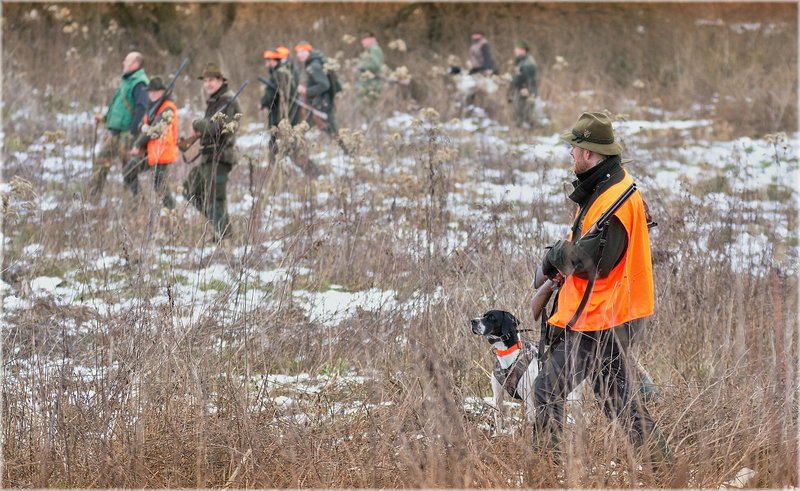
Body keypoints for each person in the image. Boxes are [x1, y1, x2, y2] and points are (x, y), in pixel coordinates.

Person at [533, 112, 672, 470]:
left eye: (574, 148)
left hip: (602, 318)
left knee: (547, 390)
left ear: (590, 154)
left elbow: (594, 262)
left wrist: (554, 255)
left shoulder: (616, 198)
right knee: (619, 401)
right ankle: (666, 472)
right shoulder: (605, 186)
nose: (570, 154)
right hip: (606, 314)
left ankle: (544, 473)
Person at [182, 63, 241, 241]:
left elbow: (218, 128)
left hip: (220, 157)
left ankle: (226, 238)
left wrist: (197, 123)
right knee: (189, 190)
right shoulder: (215, 100)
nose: (208, 84)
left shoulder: (227, 100)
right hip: (208, 157)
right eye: (206, 81)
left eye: (212, 80)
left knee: (217, 199)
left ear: (221, 80)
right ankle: (221, 228)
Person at [90, 51, 149, 199]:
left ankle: (137, 200)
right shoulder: (127, 81)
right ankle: (93, 196)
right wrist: (104, 118)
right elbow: (119, 107)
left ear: (135, 64)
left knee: (128, 169)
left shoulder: (139, 82)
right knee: (101, 162)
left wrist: (132, 130)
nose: (124, 62)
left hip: (127, 134)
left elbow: (142, 107)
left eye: (127, 61)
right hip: (115, 132)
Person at [122, 77, 177, 210]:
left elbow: (157, 130)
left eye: (156, 91)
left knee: (160, 186)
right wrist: (143, 127)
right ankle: (140, 203)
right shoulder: (153, 106)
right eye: (150, 92)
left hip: (162, 152)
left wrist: (138, 144)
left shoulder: (168, 108)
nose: (152, 94)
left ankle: (172, 215)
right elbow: (144, 123)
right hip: (150, 151)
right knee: (128, 171)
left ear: (163, 91)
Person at [294, 42, 348, 155]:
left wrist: (306, 91)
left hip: (321, 103)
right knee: (312, 126)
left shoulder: (313, 66)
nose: (300, 55)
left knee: (328, 128)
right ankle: (347, 152)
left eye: (303, 52)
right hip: (320, 102)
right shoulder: (314, 62)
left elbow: (324, 85)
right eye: (298, 52)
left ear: (309, 51)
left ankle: (348, 152)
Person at [260, 46, 300, 156]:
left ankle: (277, 167)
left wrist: (263, 103)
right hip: (289, 113)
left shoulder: (278, 74)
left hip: (280, 115)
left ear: (273, 61)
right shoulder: (288, 71)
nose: (266, 64)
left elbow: (271, 95)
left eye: (268, 61)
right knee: (289, 142)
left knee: (276, 144)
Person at [509, 39, 538, 129]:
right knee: (518, 111)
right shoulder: (521, 60)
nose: (515, 51)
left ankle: (532, 130)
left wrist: (513, 80)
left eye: (517, 49)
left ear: (523, 50)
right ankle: (521, 130)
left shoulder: (528, 62)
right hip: (521, 89)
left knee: (525, 112)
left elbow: (525, 79)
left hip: (526, 90)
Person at [355, 31, 385, 101]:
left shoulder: (374, 49)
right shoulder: (369, 50)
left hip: (371, 84)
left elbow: (376, 65)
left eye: (364, 40)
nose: (362, 42)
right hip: (367, 83)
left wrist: (361, 67)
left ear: (371, 39)